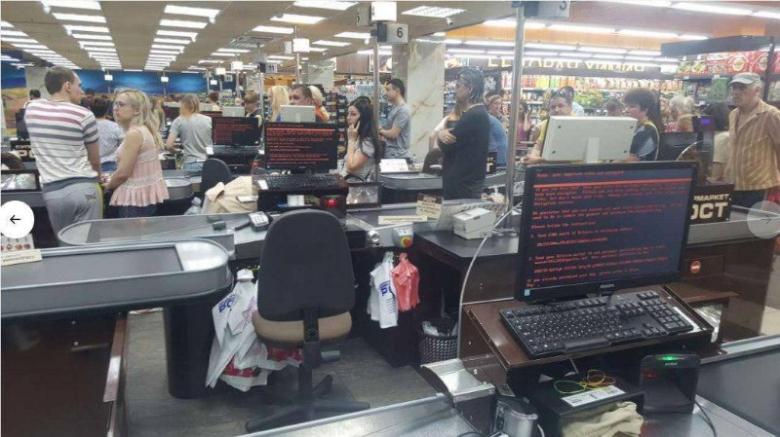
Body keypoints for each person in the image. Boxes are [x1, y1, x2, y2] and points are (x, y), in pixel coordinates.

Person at [24, 66, 102, 232]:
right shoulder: (84, 115)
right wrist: (99, 178)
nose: (81, 91)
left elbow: (40, 101)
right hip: (84, 187)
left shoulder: (32, 109)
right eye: (78, 85)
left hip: (52, 192)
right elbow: (94, 159)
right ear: (67, 86)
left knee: (65, 244)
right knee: (91, 245)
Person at [105, 89, 169, 218]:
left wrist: (108, 186)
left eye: (121, 105)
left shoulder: (134, 134)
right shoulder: (143, 130)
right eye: (115, 104)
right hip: (142, 199)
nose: (116, 109)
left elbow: (123, 173)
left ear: (137, 110)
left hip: (134, 202)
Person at [725, 72, 780, 208]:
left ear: (757, 90)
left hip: (759, 188)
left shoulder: (770, 115)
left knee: (753, 228)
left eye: (742, 88)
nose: (736, 92)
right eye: (734, 87)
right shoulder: (733, 114)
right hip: (733, 185)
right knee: (733, 227)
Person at [436, 68, 490, 199]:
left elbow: (446, 145)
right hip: (466, 184)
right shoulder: (478, 113)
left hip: (463, 187)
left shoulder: (473, 115)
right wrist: (442, 134)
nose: (455, 90)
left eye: (458, 86)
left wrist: (440, 135)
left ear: (469, 88)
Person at [166, 93, 212, 175]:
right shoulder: (208, 120)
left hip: (190, 163)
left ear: (183, 105)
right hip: (208, 164)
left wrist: (177, 152)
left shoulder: (179, 120)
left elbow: (168, 145)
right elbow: (210, 144)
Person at [522, 91, 573, 164]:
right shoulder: (547, 124)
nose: (556, 110)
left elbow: (570, 156)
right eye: (553, 107)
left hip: (574, 171)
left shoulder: (578, 125)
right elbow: (539, 146)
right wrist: (531, 157)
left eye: (561, 106)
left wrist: (538, 160)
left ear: (570, 107)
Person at [344, 97, 380, 181]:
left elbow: (351, 167)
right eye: (348, 114)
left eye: (353, 114)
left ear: (363, 118)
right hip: (349, 183)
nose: (348, 117)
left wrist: (351, 141)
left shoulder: (368, 142)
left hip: (358, 188)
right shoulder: (357, 136)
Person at [623, 88, 662, 162]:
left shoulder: (647, 129)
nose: (626, 110)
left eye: (631, 106)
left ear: (645, 109)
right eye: (626, 106)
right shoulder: (636, 126)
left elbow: (627, 159)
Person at [379, 78, 412, 160]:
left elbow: (393, 134)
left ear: (397, 91)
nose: (386, 93)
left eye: (388, 90)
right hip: (392, 153)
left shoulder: (403, 110)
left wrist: (379, 130)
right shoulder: (394, 108)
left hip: (398, 156)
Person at [92, 97, 124, 172]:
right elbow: (123, 146)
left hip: (90, 166)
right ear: (107, 111)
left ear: (91, 110)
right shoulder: (115, 126)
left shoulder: (86, 126)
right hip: (110, 165)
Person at [703, 102, 731, 182]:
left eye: (705, 120)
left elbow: (714, 175)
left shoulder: (720, 138)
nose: (703, 122)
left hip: (720, 188)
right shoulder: (727, 135)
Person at [485, 91, 508, 166]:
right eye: (495, 103)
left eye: (499, 103)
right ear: (490, 104)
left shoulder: (504, 119)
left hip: (501, 153)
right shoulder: (486, 118)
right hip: (490, 152)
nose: (498, 106)